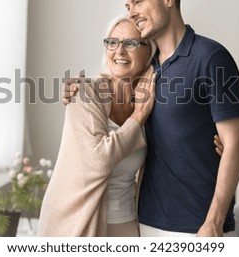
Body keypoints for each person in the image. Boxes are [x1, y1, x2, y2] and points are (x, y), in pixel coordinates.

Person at [65, 0, 239, 237]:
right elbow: (113, 84)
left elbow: (236, 142)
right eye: (128, 7)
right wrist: (78, 87)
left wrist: (214, 220)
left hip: (199, 225)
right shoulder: (145, 70)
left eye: (138, 2)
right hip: (145, 222)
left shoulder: (212, 57)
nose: (132, 12)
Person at [37, 15, 156, 236]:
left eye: (130, 43)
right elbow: (98, 160)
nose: (119, 51)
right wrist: (138, 116)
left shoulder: (152, 100)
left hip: (128, 222)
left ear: (147, 52)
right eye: (113, 42)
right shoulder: (84, 92)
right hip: (76, 222)